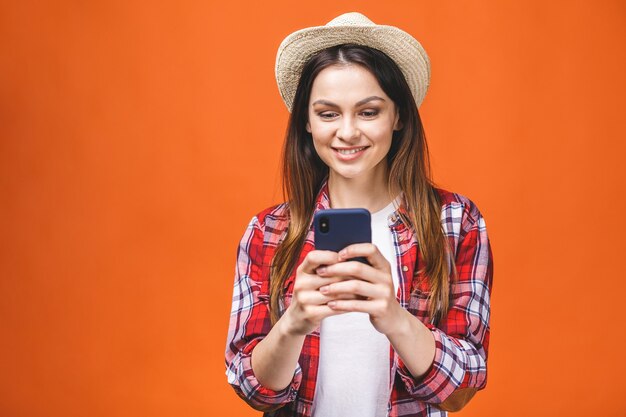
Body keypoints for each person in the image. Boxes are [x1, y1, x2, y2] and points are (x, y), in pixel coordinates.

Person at [225, 12, 493, 417]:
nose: (347, 132)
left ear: (398, 116)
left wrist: (393, 316)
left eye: (368, 112)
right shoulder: (269, 232)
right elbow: (252, 391)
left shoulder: (455, 223)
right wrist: (294, 322)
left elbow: (461, 392)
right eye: (328, 113)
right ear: (307, 124)